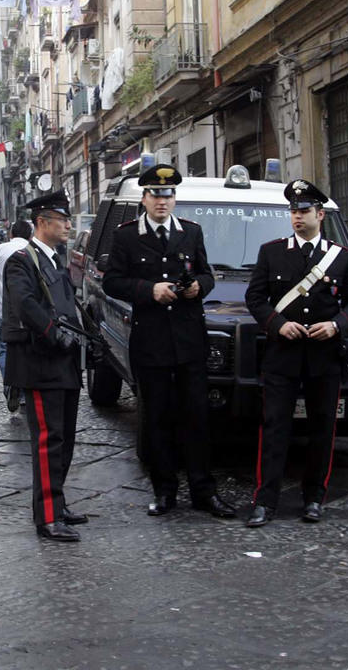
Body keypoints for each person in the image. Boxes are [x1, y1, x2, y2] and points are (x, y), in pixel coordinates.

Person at [103, 165, 236, 520]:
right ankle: (164, 491)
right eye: (155, 195)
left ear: (174, 199)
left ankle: (203, 491)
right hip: (151, 340)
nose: (162, 201)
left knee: (197, 417)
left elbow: (207, 274)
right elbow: (112, 282)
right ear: (144, 198)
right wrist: (149, 290)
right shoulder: (126, 236)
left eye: (168, 195)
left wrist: (198, 288)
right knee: (157, 418)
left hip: (190, 340)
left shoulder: (191, 232)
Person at [243, 179, 348, 527]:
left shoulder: (340, 258)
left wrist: (337, 325)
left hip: (324, 355)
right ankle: (265, 500)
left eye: (304, 211)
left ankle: (314, 498)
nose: (298, 217)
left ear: (320, 214)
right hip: (283, 354)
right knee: (274, 427)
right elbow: (256, 298)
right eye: (293, 211)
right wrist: (276, 323)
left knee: (322, 428)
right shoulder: (272, 251)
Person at [2, 190, 87, 541]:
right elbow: (25, 305)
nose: (69, 225)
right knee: (47, 441)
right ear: (42, 222)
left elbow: (67, 306)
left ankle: (59, 503)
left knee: (64, 439)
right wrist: (55, 335)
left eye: (67, 219)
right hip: (39, 362)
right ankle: (48, 517)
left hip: (64, 362)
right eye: (62, 220)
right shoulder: (22, 260)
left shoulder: (55, 259)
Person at [0, 218, 33, 391]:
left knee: (5, 350)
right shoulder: (33, 250)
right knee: (29, 351)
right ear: (30, 235)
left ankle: (11, 386)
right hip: (31, 313)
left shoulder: (0, 250)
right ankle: (24, 390)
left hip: (5, 312)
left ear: (11, 234)